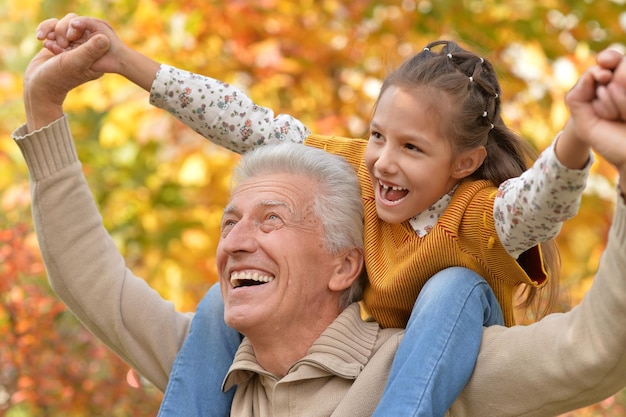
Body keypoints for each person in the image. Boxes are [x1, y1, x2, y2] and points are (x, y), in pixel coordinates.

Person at [12, 26, 626, 416]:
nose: (237, 243)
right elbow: (87, 275)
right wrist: (62, 97)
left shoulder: (432, 361)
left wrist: (590, 143)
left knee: (453, 289)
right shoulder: (216, 358)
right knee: (206, 304)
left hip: (441, 319)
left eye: (270, 220)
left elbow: (595, 350)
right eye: (229, 224)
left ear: (342, 261)